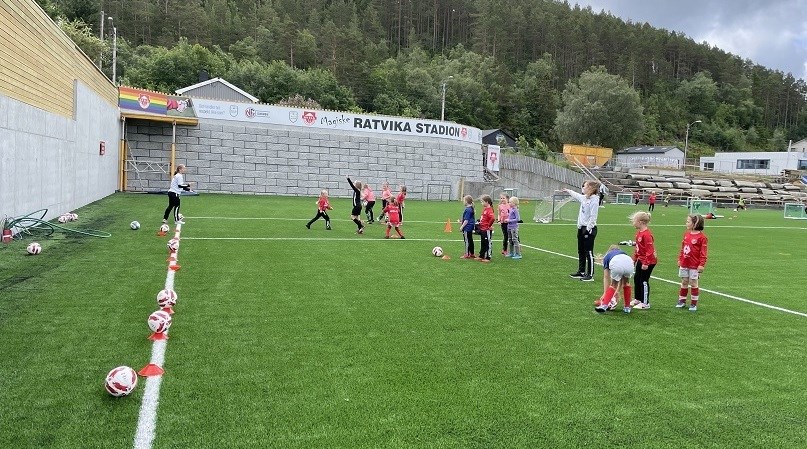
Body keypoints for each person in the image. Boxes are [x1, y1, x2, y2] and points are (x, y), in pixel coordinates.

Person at [564, 181, 600, 281]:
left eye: (585, 186)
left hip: (589, 229)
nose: (583, 188)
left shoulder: (594, 200)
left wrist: (588, 229)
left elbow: (593, 216)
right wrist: (568, 190)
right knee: (581, 251)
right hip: (581, 228)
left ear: (590, 188)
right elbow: (577, 195)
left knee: (588, 252)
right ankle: (581, 271)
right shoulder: (584, 198)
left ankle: (590, 275)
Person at [677, 214, 709, 312]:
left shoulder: (702, 237)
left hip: (694, 265)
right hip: (685, 263)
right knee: (684, 281)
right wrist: (680, 259)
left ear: (695, 224)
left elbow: (703, 253)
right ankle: (682, 301)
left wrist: (701, 264)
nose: (686, 223)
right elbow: (683, 248)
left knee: (693, 283)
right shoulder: (686, 234)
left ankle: (693, 304)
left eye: (688, 222)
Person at [595, 245, 635, 314]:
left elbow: (606, 277)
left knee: (613, 284)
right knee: (626, 283)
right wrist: (617, 291)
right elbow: (621, 280)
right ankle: (627, 308)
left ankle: (604, 305)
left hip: (616, 262)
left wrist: (605, 293)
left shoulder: (607, 256)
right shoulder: (623, 253)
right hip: (629, 261)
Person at [630, 211, 657, 310]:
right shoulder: (638, 233)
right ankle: (638, 299)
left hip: (648, 261)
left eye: (634, 221)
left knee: (644, 281)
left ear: (640, 222)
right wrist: (634, 259)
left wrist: (646, 263)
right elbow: (638, 248)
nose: (633, 223)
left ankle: (645, 303)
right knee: (637, 278)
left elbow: (650, 251)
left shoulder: (647, 235)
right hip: (641, 259)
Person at [477, 195, 495, 262]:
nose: (481, 203)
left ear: (487, 202)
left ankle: (488, 257)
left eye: (482, 202)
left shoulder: (489, 210)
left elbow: (492, 218)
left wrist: (489, 226)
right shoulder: (485, 209)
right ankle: (481, 255)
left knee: (488, 243)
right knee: (483, 242)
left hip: (486, 230)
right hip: (482, 229)